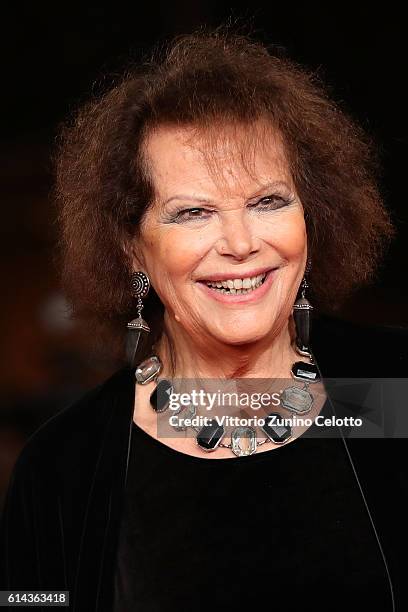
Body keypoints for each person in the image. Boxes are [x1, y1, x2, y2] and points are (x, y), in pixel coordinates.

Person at [1, 28, 407, 611]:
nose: (241, 243)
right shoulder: (65, 467)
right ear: (131, 248)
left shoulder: (394, 390)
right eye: (193, 212)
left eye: (268, 201)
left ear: (312, 216)